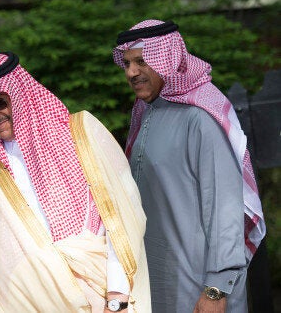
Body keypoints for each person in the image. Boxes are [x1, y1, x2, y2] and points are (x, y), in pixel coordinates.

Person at [0, 51, 151, 312]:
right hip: (25, 304)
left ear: (19, 94)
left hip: (102, 296)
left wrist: (117, 296)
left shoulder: (82, 133)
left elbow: (122, 217)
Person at [112, 20, 266, 313]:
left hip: (201, 286)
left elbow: (225, 209)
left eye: (142, 62)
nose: (131, 72)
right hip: (157, 280)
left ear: (167, 59)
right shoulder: (145, 112)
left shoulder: (199, 118)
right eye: (127, 63)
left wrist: (217, 289)